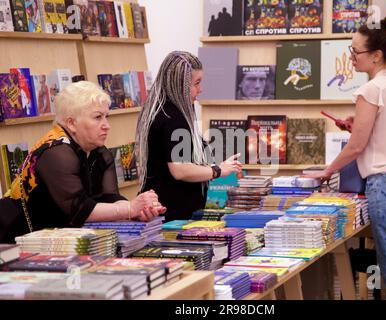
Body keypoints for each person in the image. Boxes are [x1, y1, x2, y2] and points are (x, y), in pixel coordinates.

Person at [304, 17, 386, 300]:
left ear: (376, 55)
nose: (350, 58)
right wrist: (358, 122)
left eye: (355, 52)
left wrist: (327, 171)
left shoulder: (372, 89)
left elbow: (356, 146)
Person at [1, 81, 166, 243]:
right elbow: (80, 210)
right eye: (97, 117)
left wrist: (139, 210)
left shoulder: (100, 153)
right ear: (72, 123)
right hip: (14, 236)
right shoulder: (56, 152)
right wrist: (129, 208)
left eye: (106, 117)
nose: (106, 126)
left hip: (55, 240)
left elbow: (109, 198)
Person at [135, 51, 242, 222]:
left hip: (174, 209)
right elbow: (180, 169)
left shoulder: (167, 110)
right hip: (171, 212)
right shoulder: (173, 117)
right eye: (196, 83)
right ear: (180, 85)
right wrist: (218, 171)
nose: (201, 89)